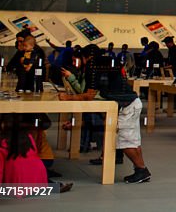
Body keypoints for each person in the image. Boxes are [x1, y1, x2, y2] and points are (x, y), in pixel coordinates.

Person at [60, 44, 151, 183]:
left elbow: (89, 94)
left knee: (126, 142)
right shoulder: (105, 63)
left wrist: (68, 97)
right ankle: (141, 170)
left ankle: (141, 170)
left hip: (126, 107)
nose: (75, 63)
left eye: (76, 60)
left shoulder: (93, 66)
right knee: (133, 141)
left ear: (86, 57)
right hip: (131, 103)